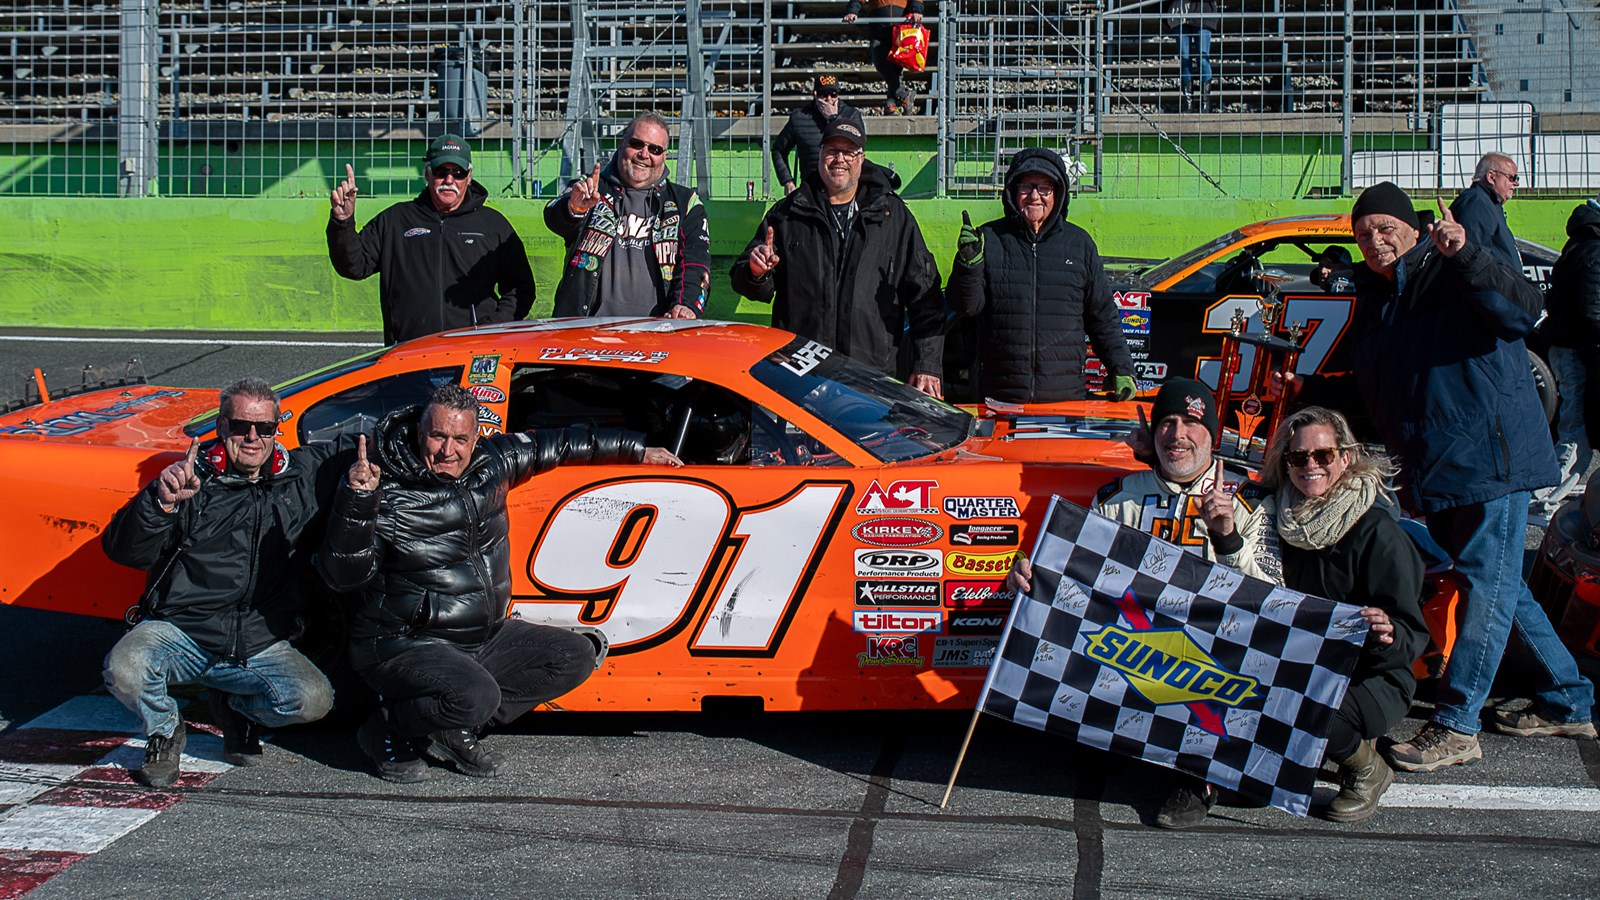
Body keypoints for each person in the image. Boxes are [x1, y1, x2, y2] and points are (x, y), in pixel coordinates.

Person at [1286, 182, 1594, 772]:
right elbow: (1367, 384)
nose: (1374, 241)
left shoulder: (1454, 266)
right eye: (1363, 233)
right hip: (1440, 467)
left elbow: (1522, 308)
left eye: (1385, 227)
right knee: (1504, 584)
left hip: (1490, 460)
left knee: (1486, 583)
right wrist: (1307, 395)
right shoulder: (1379, 298)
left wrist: (1468, 254)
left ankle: (1456, 723)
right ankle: (1569, 698)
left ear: (1414, 226)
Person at [317, 386, 683, 783]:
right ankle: (386, 727)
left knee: (575, 655)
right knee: (476, 696)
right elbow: (343, 576)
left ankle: (453, 724)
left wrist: (636, 449)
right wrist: (357, 500)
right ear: (419, 431)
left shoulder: (492, 464)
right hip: (404, 642)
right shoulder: (384, 487)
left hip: (482, 635)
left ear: (476, 439)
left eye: (460, 439)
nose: (447, 451)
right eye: (437, 436)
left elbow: (559, 444)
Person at [1006, 378, 1268, 828]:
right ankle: (1113, 735)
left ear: (1215, 435)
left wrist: (1227, 537)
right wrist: (1031, 570)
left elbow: (1276, 601)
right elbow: (1077, 571)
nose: (1178, 434)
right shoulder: (1117, 496)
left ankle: (1199, 778)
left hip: (1217, 650)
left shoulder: (1253, 499)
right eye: (1167, 422)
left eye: (1191, 423)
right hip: (1138, 645)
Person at [101, 378, 354, 787]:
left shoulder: (300, 477)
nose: (252, 438)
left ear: (277, 430)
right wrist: (159, 504)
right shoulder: (189, 479)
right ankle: (165, 731)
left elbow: (371, 441)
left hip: (257, 642)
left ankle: (237, 708)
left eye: (264, 428)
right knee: (123, 668)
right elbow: (124, 552)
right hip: (182, 632)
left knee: (314, 701)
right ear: (221, 427)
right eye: (240, 427)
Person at [1205, 406, 1427, 823]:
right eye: (1298, 457)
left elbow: (1412, 633)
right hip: (1294, 657)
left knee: (1304, 703)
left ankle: (1366, 769)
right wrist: (1226, 533)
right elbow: (1253, 590)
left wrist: (1387, 632)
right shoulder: (1270, 516)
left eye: (1323, 456)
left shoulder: (1378, 532)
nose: (1310, 465)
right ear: (1285, 463)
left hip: (1371, 673)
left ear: (1345, 458)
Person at [730, 119, 945, 398]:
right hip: (799, 377)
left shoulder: (893, 217)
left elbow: (925, 298)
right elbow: (745, 282)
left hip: (871, 379)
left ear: (862, 158)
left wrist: (927, 364)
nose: (839, 159)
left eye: (849, 151)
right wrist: (756, 272)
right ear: (820, 154)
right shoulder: (786, 214)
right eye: (832, 150)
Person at [945, 148, 1137, 404]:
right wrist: (968, 265)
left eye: (1044, 188)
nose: (1035, 196)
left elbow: (1103, 317)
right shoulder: (989, 239)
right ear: (1012, 192)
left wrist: (1122, 368)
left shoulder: (1079, 244)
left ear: (1058, 194)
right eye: (1026, 186)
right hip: (1000, 397)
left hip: (1065, 399)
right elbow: (966, 306)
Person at [328, 134, 535, 345]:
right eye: (441, 171)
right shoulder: (395, 220)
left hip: (473, 352)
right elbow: (354, 266)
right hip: (409, 353)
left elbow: (521, 288)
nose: (449, 180)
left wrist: (492, 328)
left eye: (458, 173)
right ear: (427, 173)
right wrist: (342, 222)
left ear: (469, 176)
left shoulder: (493, 224)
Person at [545, 113, 711, 319]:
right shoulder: (590, 189)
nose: (644, 154)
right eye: (637, 144)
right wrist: (574, 209)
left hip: (659, 334)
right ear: (622, 144)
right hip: (585, 330)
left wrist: (685, 306)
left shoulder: (686, 203)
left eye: (655, 149)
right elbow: (554, 217)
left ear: (664, 157)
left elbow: (695, 263)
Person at [1532, 196, 1600, 524]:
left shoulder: (1582, 240)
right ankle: (1542, 499)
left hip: (1567, 345)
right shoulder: (1595, 249)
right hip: (1576, 349)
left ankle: (1543, 497)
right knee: (1576, 429)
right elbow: (1593, 311)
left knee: (1576, 427)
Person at [772, 74, 866, 195]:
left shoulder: (851, 115)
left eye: (833, 95)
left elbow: (860, 146)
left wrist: (833, 119)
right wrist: (788, 181)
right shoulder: (799, 117)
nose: (829, 99)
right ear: (815, 95)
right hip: (811, 190)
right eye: (824, 94)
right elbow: (778, 150)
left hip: (844, 189)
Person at [842, 1, 924, 115]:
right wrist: (852, 11)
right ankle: (904, 94)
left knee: (896, 67)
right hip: (879, 29)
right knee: (880, 62)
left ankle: (891, 103)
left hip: (901, 29)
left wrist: (916, 10)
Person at [1450, 152, 1521, 271]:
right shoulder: (1477, 203)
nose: (1516, 183)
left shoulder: (1488, 202)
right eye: (1512, 178)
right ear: (1491, 177)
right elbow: (1473, 261)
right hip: (1490, 287)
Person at [1166, 0, 1219, 113]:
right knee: (1185, 59)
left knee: (1203, 59)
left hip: (1203, 12)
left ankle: (1205, 104)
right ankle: (1189, 103)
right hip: (1179, 14)